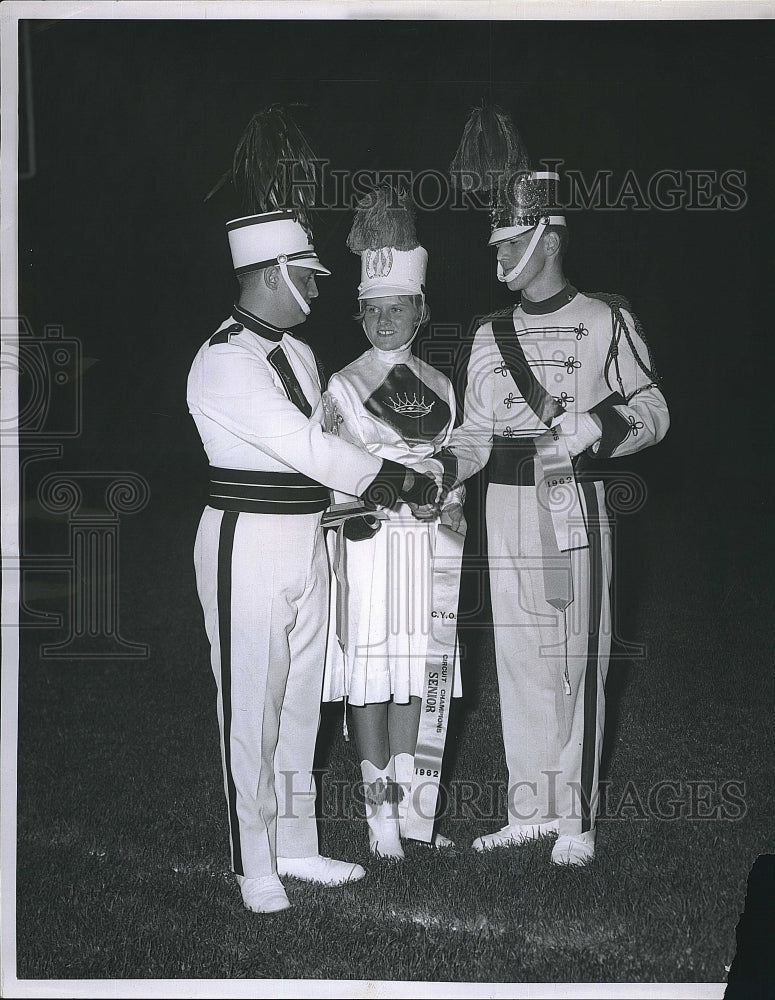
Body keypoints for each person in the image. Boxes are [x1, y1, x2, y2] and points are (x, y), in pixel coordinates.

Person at [187, 109, 440, 913]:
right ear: (271, 274)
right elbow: (306, 447)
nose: (320, 287)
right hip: (247, 544)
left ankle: (296, 847)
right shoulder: (223, 361)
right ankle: (251, 860)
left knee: (301, 701)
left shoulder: (296, 350)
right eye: (310, 274)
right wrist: (391, 481)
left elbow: (322, 458)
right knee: (251, 705)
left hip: (308, 540)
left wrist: (366, 490)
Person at [441, 108, 670, 865]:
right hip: (500, 503)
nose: (497, 253)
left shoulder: (607, 318)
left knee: (576, 656)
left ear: (546, 238)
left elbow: (653, 409)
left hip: (572, 499)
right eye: (496, 241)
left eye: (508, 240)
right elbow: (474, 431)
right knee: (518, 656)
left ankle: (575, 820)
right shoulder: (484, 332)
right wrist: (443, 468)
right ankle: (528, 808)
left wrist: (596, 430)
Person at [322, 187, 464, 859]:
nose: (384, 320)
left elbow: (453, 467)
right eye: (372, 310)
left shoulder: (442, 385)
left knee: (416, 672)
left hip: (427, 553)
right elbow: (329, 477)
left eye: (396, 307)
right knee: (371, 678)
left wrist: (442, 491)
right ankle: (378, 819)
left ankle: (412, 812)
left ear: (420, 308)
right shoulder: (342, 385)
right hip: (369, 551)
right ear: (359, 314)